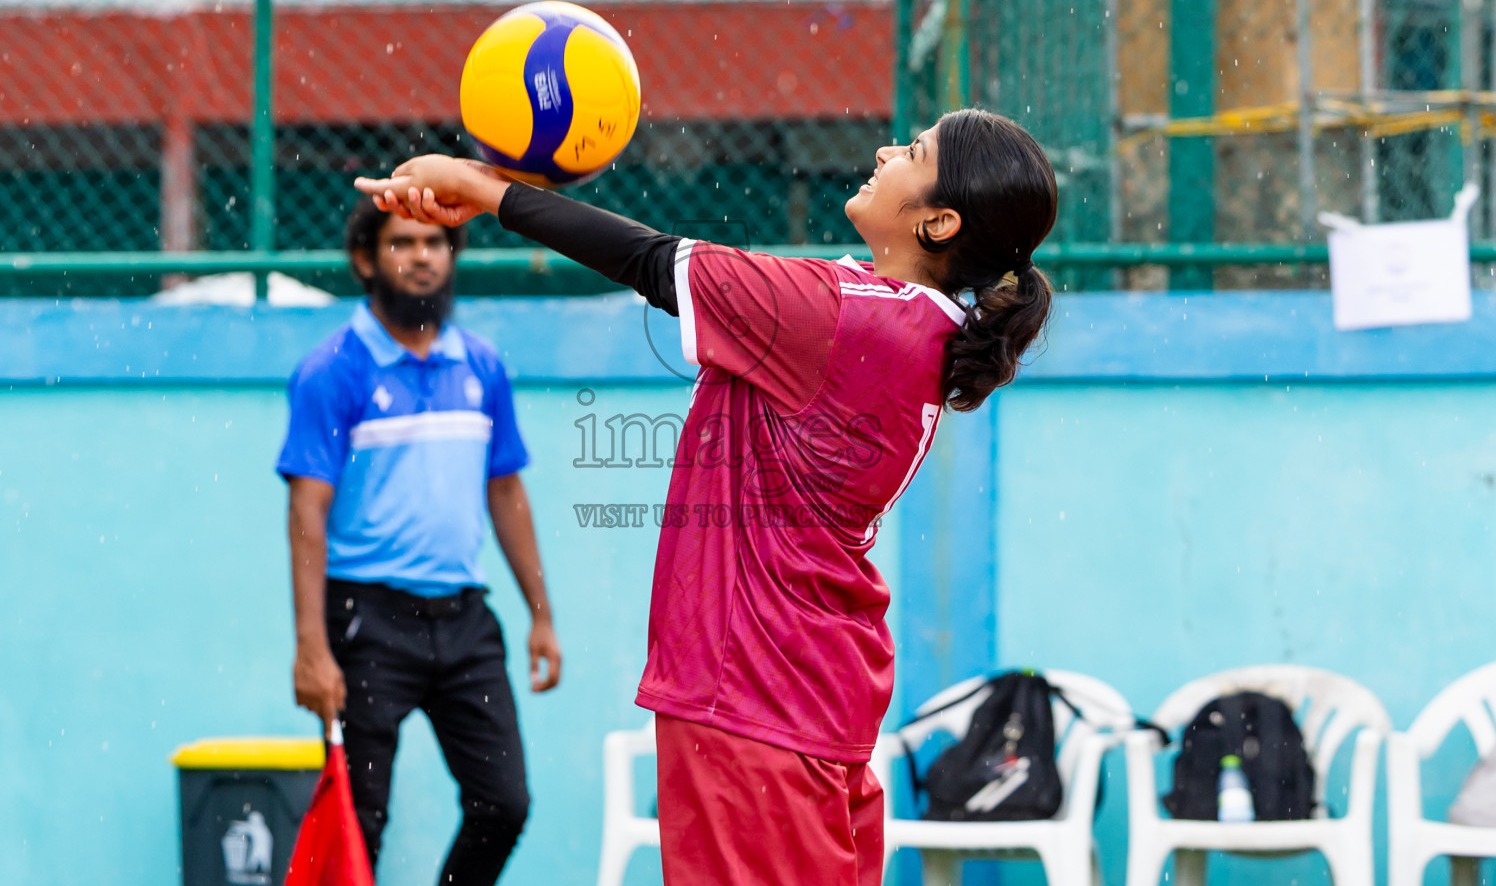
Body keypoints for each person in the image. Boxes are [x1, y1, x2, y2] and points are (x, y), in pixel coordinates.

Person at [356, 108, 1057, 886]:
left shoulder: (845, 315)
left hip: (752, 694)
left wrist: (483, 186)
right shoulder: (915, 324)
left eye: (915, 152)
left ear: (939, 222)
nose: (889, 150)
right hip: (807, 695)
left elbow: (652, 262)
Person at [276, 200, 562, 886]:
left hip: (466, 622)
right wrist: (311, 648)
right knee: (361, 819)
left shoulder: (482, 365)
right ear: (365, 260)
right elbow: (306, 510)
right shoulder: (334, 370)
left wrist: (541, 614)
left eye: (436, 242)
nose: (423, 256)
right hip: (367, 624)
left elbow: (505, 491)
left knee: (504, 802)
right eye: (402, 242)